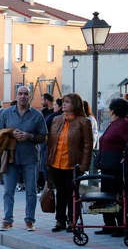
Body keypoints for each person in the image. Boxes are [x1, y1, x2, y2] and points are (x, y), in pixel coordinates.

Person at [0, 86, 48, 231]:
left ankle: (30, 220)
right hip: (11, 158)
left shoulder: (37, 115)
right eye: (20, 94)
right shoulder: (6, 113)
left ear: (29, 97)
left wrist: (29, 136)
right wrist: (10, 133)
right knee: (8, 191)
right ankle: (7, 219)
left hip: (30, 158)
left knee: (31, 191)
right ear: (16, 96)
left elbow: (44, 137)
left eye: (26, 94)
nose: (23, 96)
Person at [46, 93, 93, 233]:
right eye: (63, 102)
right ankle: (60, 220)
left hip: (73, 165)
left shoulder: (83, 122)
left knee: (72, 193)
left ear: (75, 105)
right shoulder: (56, 120)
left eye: (67, 102)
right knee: (60, 193)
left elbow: (88, 145)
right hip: (56, 163)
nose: (64, 104)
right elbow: (50, 142)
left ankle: (73, 221)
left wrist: (84, 165)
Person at [94, 98, 128, 236]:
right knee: (106, 196)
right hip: (107, 166)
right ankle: (109, 225)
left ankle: (120, 226)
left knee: (116, 196)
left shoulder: (123, 125)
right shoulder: (113, 124)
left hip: (116, 167)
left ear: (113, 110)